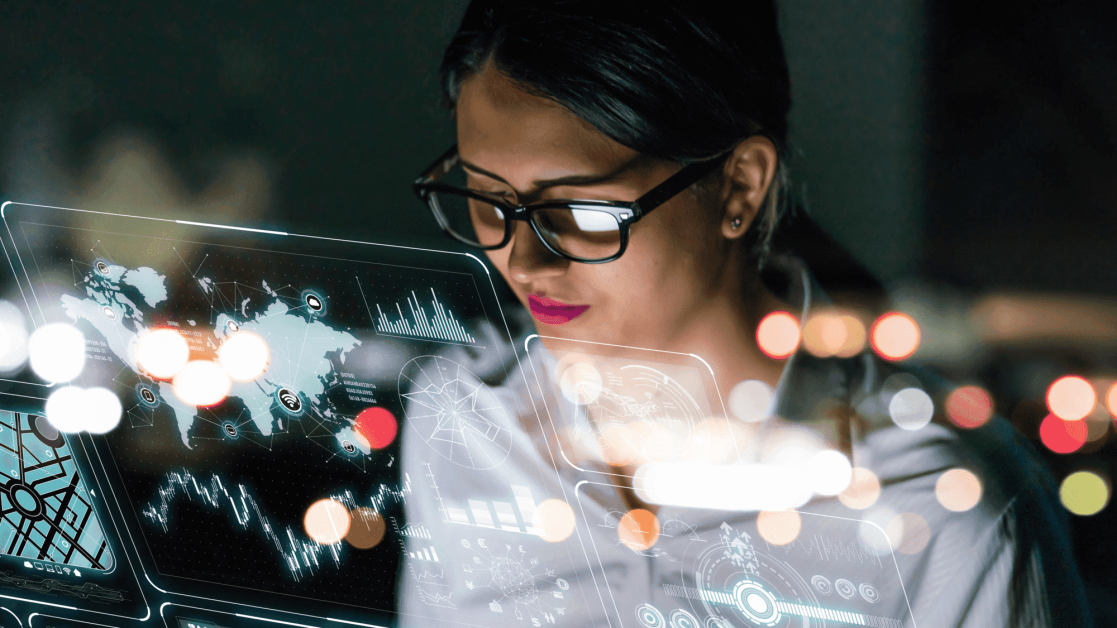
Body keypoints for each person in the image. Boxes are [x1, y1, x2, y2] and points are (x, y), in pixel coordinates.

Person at [398, 1, 1092, 626]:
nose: (522, 261)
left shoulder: (940, 512)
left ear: (738, 187)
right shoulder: (462, 425)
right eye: (487, 200)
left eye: (578, 209)